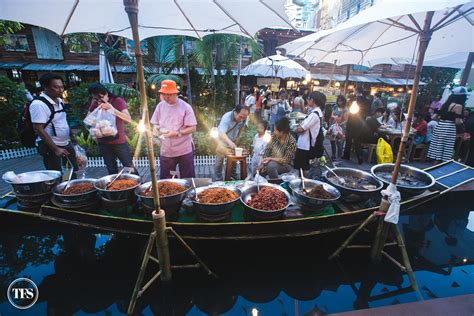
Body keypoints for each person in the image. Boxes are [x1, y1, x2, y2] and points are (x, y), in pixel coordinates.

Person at [30, 73, 79, 177]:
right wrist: (55, 149)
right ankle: (58, 191)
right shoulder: (38, 105)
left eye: (62, 87)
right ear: (45, 87)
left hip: (65, 143)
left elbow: (62, 120)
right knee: (55, 174)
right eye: (56, 87)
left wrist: (72, 136)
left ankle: (69, 188)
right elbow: (38, 129)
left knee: (70, 170)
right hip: (51, 146)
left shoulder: (59, 100)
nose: (60, 90)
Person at [151, 80, 198, 179]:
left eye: (169, 94)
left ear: (175, 93)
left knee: (188, 177)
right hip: (166, 149)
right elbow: (155, 124)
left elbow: (193, 128)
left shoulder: (185, 107)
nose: (166, 97)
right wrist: (156, 131)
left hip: (184, 148)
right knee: (167, 179)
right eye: (164, 94)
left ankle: (188, 194)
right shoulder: (160, 106)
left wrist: (177, 133)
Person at [87, 83, 137, 175]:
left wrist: (112, 109)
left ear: (106, 94)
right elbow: (89, 122)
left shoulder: (117, 101)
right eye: (95, 98)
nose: (98, 101)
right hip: (103, 142)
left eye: (100, 98)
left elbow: (128, 119)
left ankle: (137, 186)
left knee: (128, 166)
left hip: (119, 142)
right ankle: (115, 188)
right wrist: (95, 109)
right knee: (111, 169)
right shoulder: (94, 104)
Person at [428, 86, 467, 164]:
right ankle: (440, 171)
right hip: (449, 128)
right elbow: (457, 121)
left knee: (438, 151)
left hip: (440, 127)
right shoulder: (458, 106)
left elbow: (433, 117)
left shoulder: (444, 104)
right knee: (445, 151)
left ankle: (433, 168)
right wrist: (463, 122)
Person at [214, 104, 249, 181]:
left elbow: (242, 127)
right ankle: (218, 180)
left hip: (232, 140)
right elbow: (221, 133)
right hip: (222, 140)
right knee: (219, 162)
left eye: (244, 117)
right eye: (240, 117)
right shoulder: (227, 117)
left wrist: (237, 137)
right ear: (235, 113)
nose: (242, 119)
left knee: (233, 161)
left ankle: (232, 178)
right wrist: (230, 143)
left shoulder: (244, 117)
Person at [294, 91, 326, 174]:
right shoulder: (316, 112)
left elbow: (301, 129)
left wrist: (293, 128)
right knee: (303, 166)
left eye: (308, 99)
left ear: (313, 100)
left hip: (305, 145)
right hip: (305, 143)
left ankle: (304, 183)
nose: (307, 100)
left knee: (303, 167)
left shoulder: (314, 114)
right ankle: (303, 182)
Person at [328, 95, 348, 160]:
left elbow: (346, 120)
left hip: (341, 128)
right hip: (333, 126)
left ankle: (339, 156)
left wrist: (339, 124)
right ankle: (333, 155)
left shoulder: (345, 109)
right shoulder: (335, 106)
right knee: (332, 141)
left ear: (343, 101)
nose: (339, 102)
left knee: (340, 142)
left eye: (340, 101)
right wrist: (335, 117)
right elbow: (331, 115)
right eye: (338, 100)